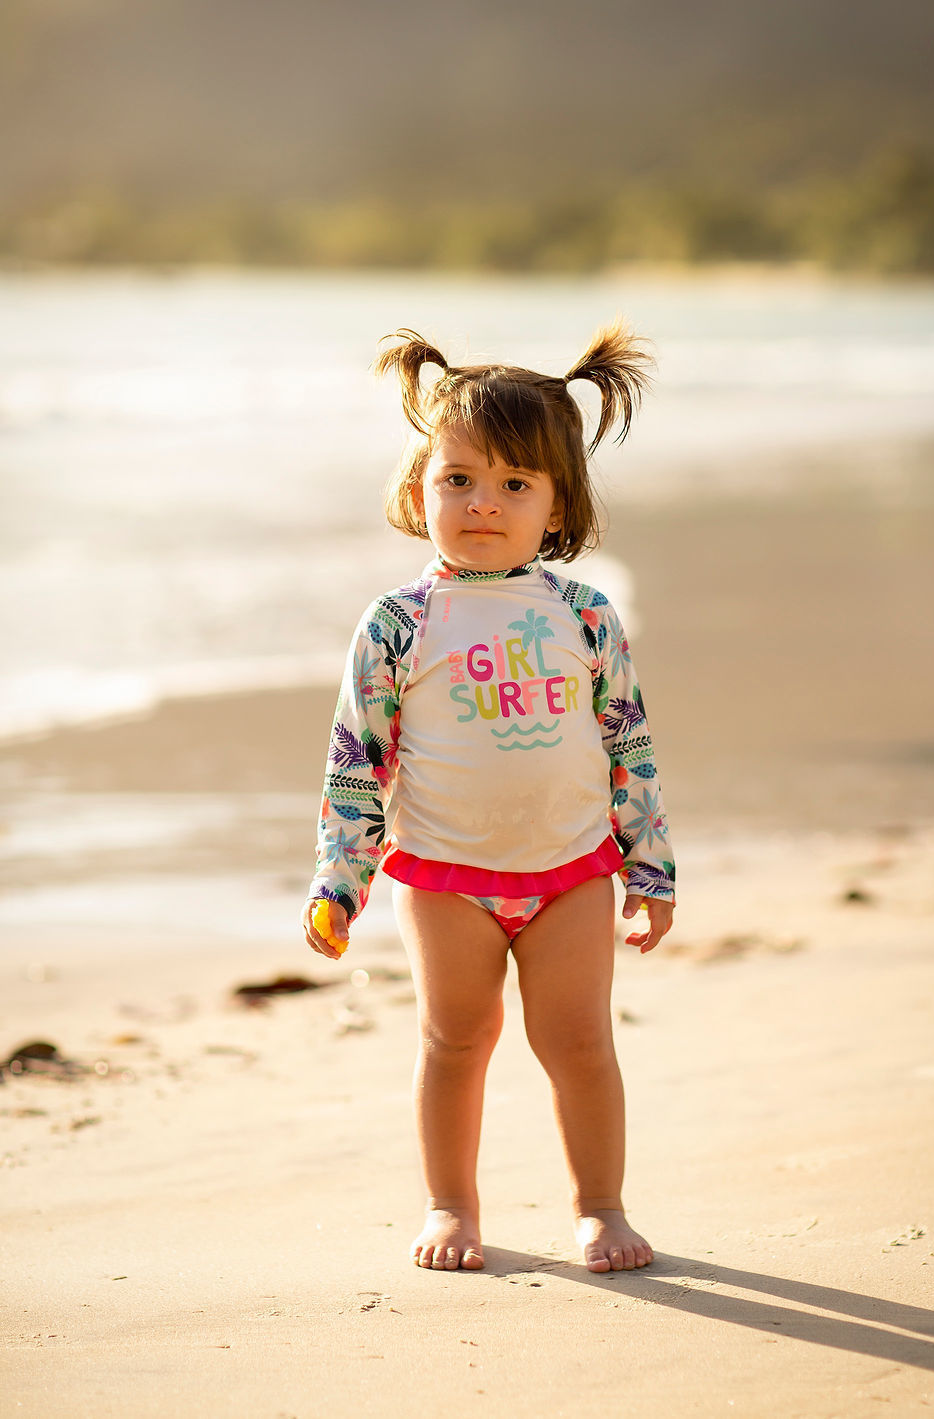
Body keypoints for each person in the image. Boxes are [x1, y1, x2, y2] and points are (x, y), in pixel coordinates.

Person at [301, 320, 675, 1274]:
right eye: (458, 478)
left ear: (557, 506)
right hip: (443, 874)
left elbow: (627, 741)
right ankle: (450, 1205)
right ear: (418, 486)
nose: (481, 503)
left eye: (515, 484)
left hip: (571, 870)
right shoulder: (397, 622)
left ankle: (600, 1206)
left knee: (580, 1040)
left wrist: (650, 866)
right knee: (454, 1038)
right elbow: (358, 759)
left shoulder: (585, 614)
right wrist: (338, 883)